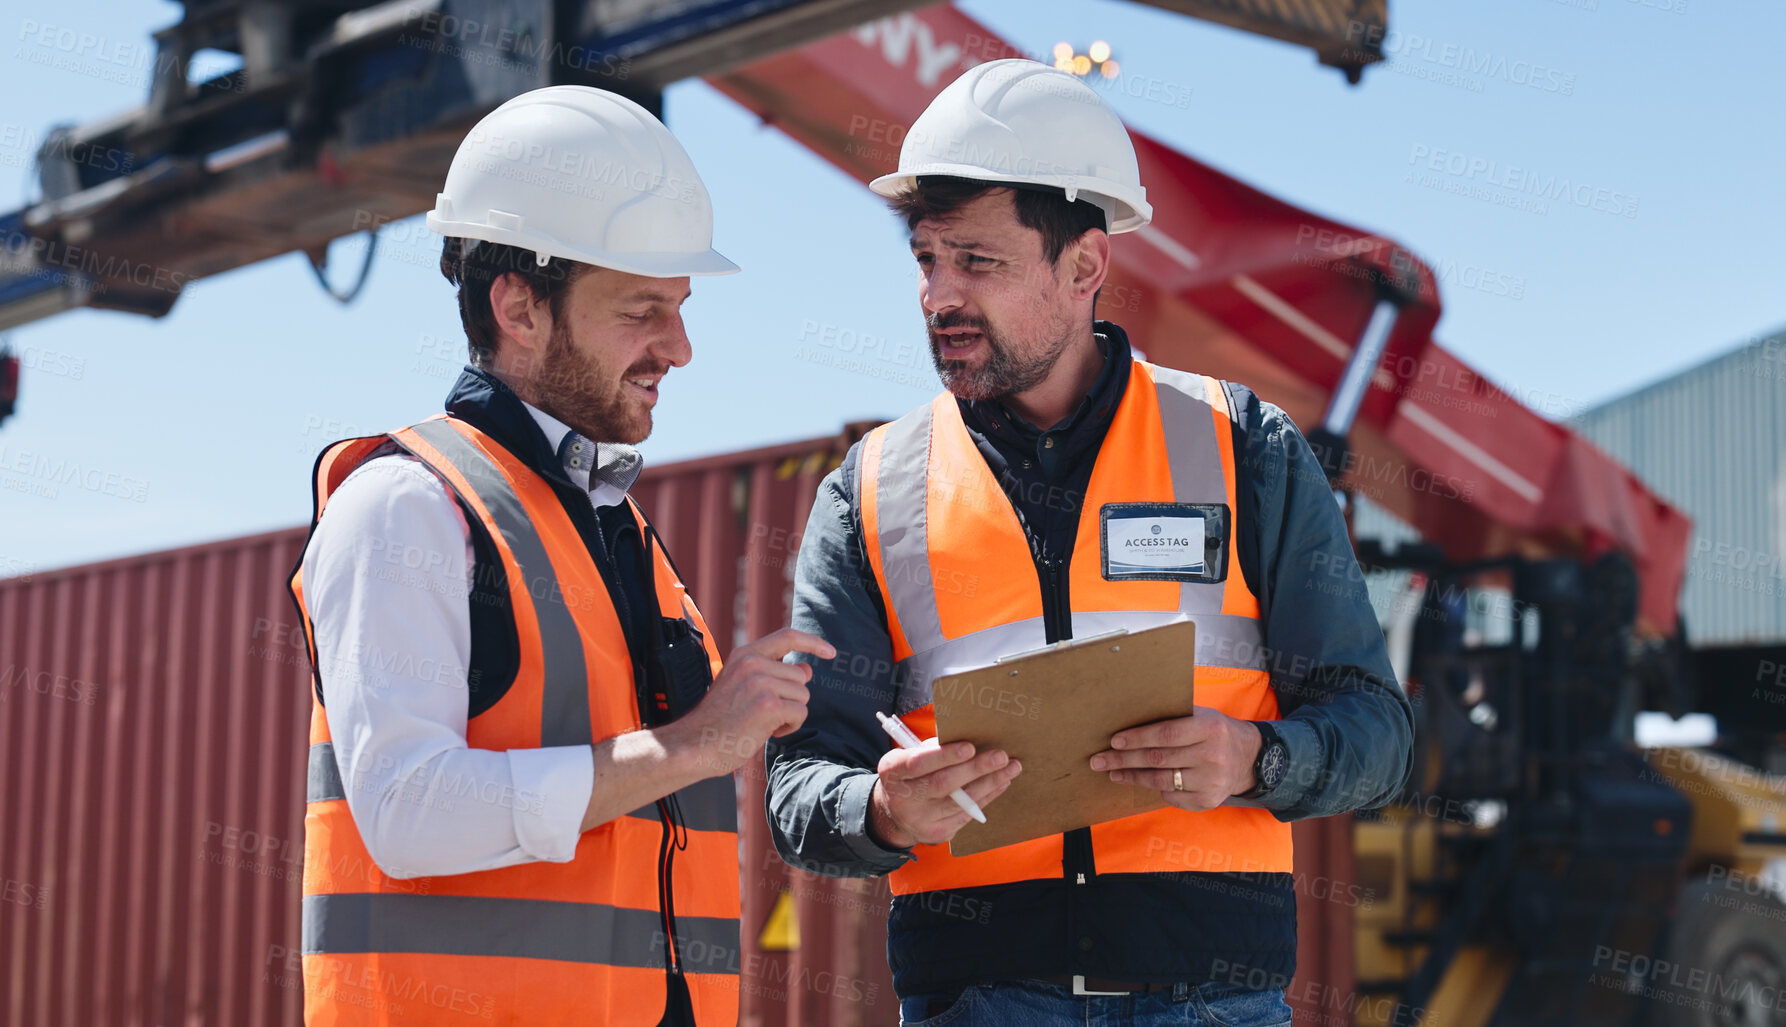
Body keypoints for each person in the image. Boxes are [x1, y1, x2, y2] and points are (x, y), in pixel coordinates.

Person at [767, 59, 1414, 1025]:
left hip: (1212, 1001)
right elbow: (798, 784)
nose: (937, 295)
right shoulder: (868, 492)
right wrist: (880, 810)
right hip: (976, 1001)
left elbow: (1379, 735)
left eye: (976, 261)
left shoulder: (1246, 450)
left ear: (1084, 268)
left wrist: (1256, 759)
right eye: (925, 258)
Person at [291, 86, 831, 1026]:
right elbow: (408, 812)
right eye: (642, 310)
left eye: (681, 307)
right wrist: (694, 741)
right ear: (518, 306)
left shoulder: (612, 525)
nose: (681, 348)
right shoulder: (407, 505)